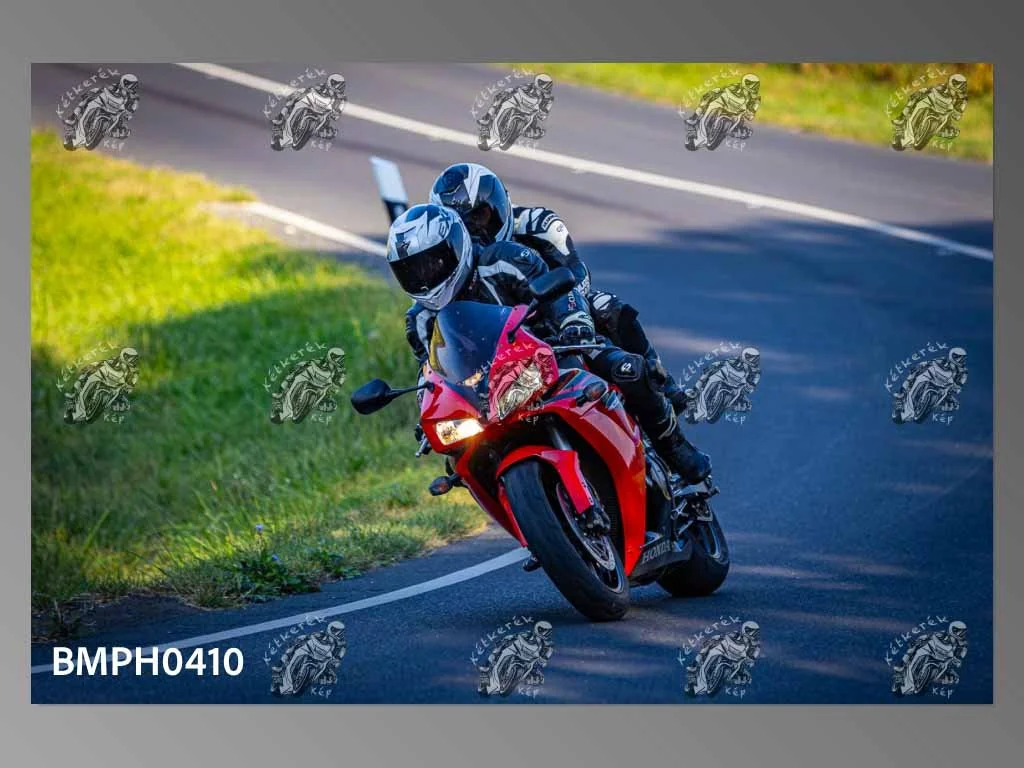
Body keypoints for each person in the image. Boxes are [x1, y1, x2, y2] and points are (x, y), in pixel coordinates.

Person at [389, 203, 711, 486]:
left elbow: (558, 291)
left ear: (455, 247)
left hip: (554, 350)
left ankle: (674, 447)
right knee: (463, 461)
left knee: (627, 369)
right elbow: (432, 373)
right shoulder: (420, 321)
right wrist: (429, 412)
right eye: (412, 272)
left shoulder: (503, 259)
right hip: (491, 392)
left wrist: (573, 324)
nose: (425, 277)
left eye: (432, 262)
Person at [426, 162, 691, 416]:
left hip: (563, 312)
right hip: (507, 336)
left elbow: (577, 273)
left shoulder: (538, 224)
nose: (477, 232)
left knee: (604, 305)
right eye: (466, 226)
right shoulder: (460, 270)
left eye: (481, 217)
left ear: (497, 204)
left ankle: (662, 383)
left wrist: (569, 319)